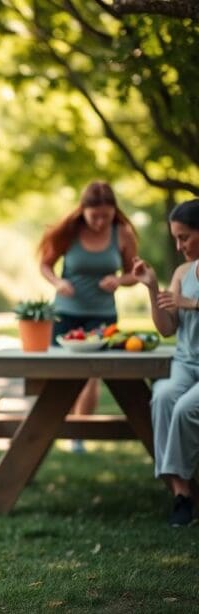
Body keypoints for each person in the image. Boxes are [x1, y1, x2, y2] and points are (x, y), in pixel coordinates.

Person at [38, 180, 139, 453]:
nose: (99, 222)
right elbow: (45, 265)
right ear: (82, 210)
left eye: (106, 216)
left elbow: (135, 273)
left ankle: (77, 436)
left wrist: (119, 281)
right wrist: (58, 283)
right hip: (66, 313)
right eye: (94, 216)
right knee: (62, 376)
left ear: (114, 212)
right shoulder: (69, 232)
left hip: (102, 316)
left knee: (91, 376)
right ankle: (64, 426)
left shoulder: (123, 233)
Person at [132, 198, 199, 527]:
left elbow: (186, 305)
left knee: (187, 407)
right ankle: (181, 494)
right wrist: (152, 288)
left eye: (184, 237)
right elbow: (167, 328)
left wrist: (191, 302)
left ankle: (183, 491)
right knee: (161, 396)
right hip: (187, 364)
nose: (179, 244)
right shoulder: (183, 272)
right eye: (175, 237)